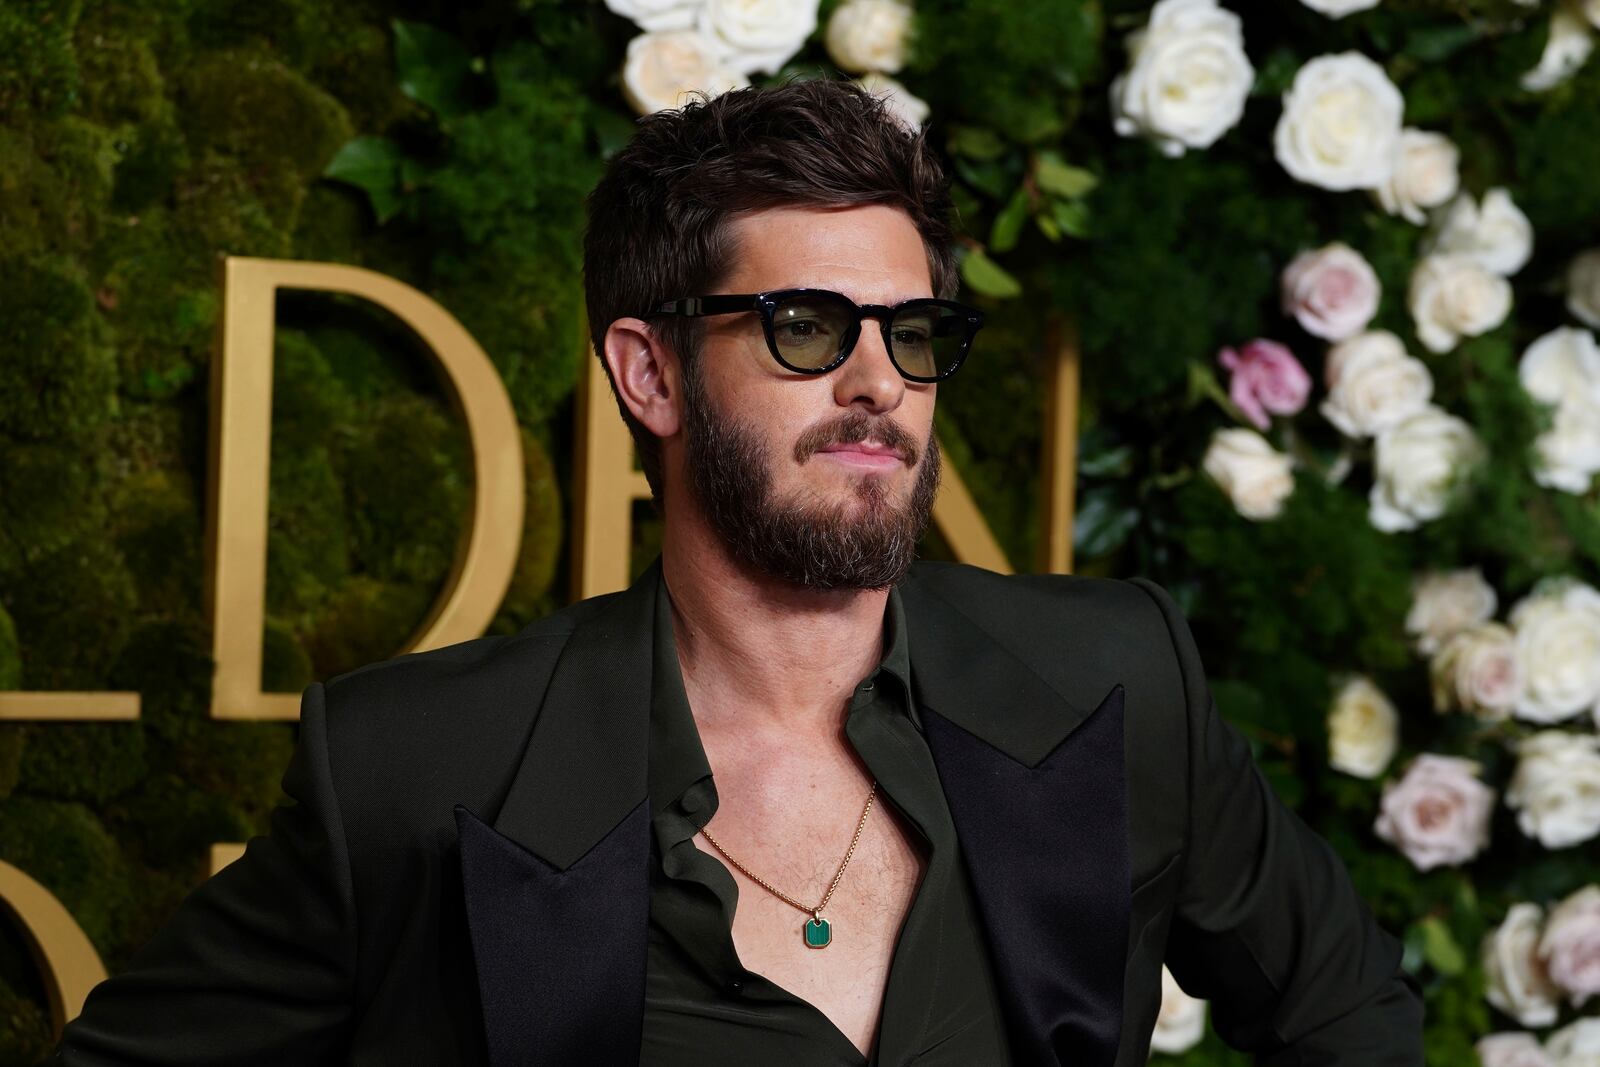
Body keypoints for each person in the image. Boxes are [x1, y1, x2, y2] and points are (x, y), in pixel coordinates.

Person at [53, 79, 1425, 1066]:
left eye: (914, 332)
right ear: (650, 373)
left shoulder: (1116, 679)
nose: (879, 382)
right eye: (808, 328)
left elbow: (1353, 1024)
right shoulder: (419, 768)